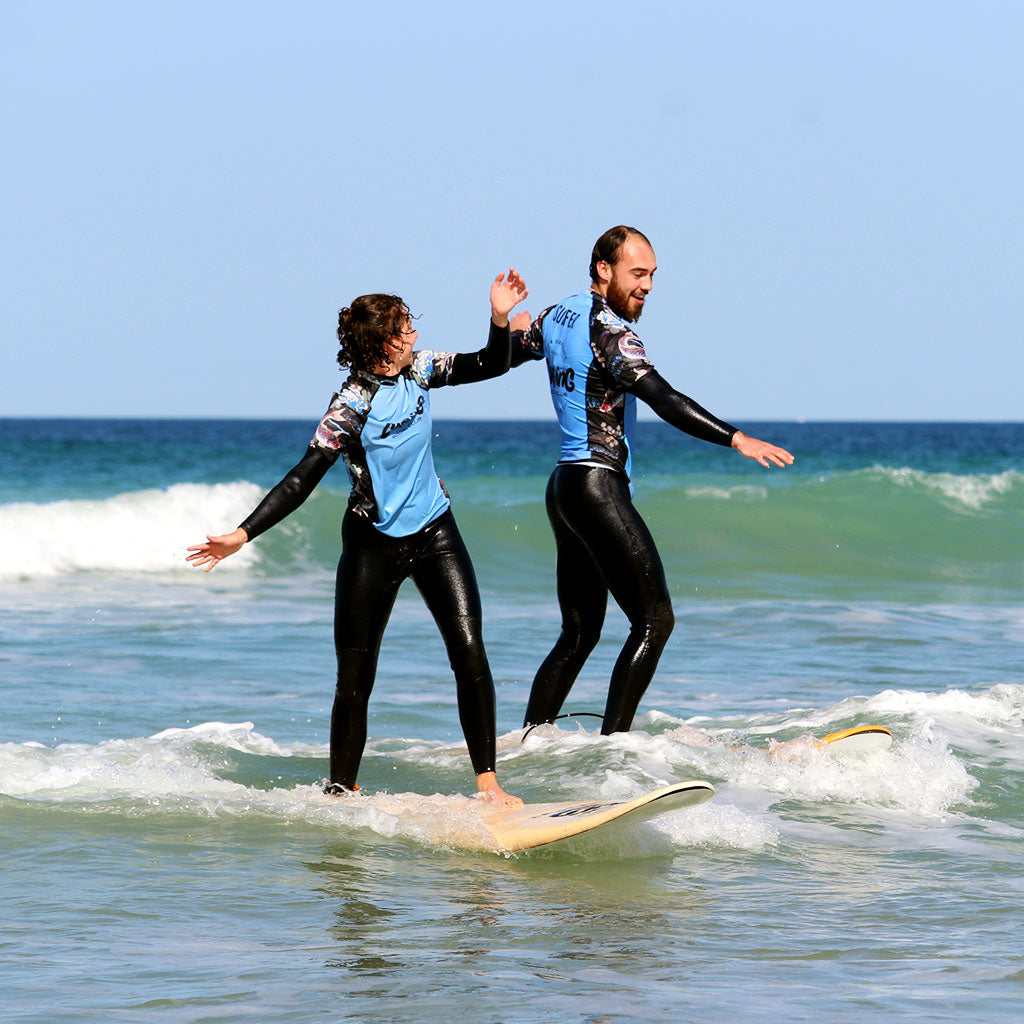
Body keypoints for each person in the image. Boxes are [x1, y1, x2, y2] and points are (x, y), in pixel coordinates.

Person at [187, 270, 530, 806]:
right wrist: (242, 533)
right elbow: (303, 476)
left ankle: (488, 784)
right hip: (371, 544)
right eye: (407, 326)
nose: (415, 333)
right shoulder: (351, 404)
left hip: (435, 530)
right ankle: (341, 787)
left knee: (469, 654)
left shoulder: (419, 370)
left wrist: (499, 319)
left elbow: (488, 365)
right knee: (355, 675)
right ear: (387, 341)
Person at [509, 226, 794, 735]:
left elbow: (514, 349)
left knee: (578, 634)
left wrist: (504, 325)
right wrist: (736, 439)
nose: (648, 286)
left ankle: (530, 744)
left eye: (653, 275)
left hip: (564, 488)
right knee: (654, 621)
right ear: (605, 269)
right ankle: (614, 747)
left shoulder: (558, 315)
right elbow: (664, 398)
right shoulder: (612, 332)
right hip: (598, 486)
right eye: (638, 274)